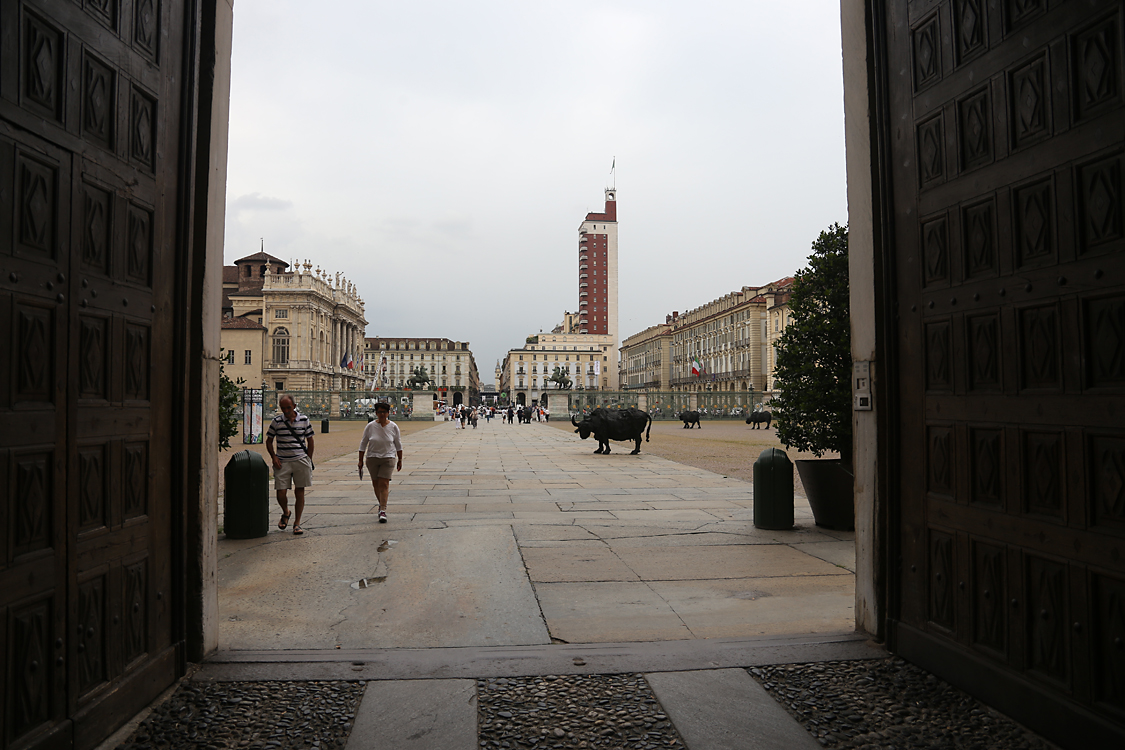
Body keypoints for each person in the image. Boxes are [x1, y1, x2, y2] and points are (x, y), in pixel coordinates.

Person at [266, 395, 315, 535]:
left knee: (300, 492)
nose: (286, 411)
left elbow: (310, 440)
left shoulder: (304, 420)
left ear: (294, 406)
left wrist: (308, 459)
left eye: (288, 407)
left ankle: (297, 523)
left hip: (301, 459)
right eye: (283, 408)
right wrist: (273, 457)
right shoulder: (276, 421)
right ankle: (286, 511)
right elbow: (269, 441)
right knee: (281, 492)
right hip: (282, 461)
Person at [358, 402, 402, 523]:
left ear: (388, 413)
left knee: (384, 483)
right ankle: (381, 503)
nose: (382, 414)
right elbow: (363, 443)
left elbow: (398, 444)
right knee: (376, 484)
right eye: (380, 412)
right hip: (372, 458)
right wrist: (360, 460)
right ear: (376, 413)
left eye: (384, 412)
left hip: (388, 457)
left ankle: (383, 510)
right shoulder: (370, 426)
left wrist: (400, 459)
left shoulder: (393, 426)